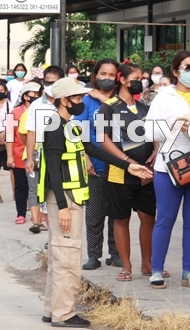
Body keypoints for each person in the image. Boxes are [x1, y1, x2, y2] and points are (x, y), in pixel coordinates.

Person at [39, 77, 153, 327]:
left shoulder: (69, 125)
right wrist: (62, 206)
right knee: (67, 258)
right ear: (64, 100)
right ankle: (64, 314)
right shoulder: (55, 128)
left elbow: (93, 148)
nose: (81, 102)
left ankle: (53, 309)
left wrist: (129, 166)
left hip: (71, 197)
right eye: (77, 98)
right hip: (65, 199)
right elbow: (54, 172)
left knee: (61, 256)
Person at [145, 51, 190, 290]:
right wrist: (175, 126)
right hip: (169, 167)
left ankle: (189, 271)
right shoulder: (163, 97)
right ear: (175, 72)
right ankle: (157, 271)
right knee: (165, 219)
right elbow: (150, 132)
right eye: (186, 67)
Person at [98, 62, 156, 282]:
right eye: (135, 78)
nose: (140, 82)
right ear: (121, 79)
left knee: (148, 218)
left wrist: (154, 154)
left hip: (146, 173)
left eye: (142, 78)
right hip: (119, 173)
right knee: (121, 219)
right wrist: (125, 160)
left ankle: (147, 264)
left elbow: (154, 133)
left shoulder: (145, 108)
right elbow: (103, 139)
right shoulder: (108, 107)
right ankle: (126, 266)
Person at [73, 59, 121, 269]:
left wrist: (103, 98)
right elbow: (77, 131)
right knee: (94, 213)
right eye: (103, 74)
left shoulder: (121, 100)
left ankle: (116, 253)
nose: (107, 78)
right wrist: (85, 158)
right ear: (95, 75)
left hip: (119, 166)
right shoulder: (86, 100)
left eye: (111, 75)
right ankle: (94, 255)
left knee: (117, 214)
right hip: (95, 165)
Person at [24, 66, 65, 234]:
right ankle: (51, 234)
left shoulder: (67, 102)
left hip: (63, 155)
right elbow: (31, 132)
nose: (49, 85)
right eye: (46, 82)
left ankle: (58, 233)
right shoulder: (35, 105)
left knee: (59, 194)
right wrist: (29, 158)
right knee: (43, 194)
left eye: (54, 82)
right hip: (40, 153)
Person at [7, 82, 42, 224]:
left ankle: (39, 215)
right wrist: (9, 156)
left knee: (38, 187)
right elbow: (10, 135)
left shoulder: (42, 109)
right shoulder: (15, 112)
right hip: (19, 154)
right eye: (34, 94)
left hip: (38, 154)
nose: (37, 96)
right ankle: (21, 213)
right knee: (21, 185)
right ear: (26, 96)